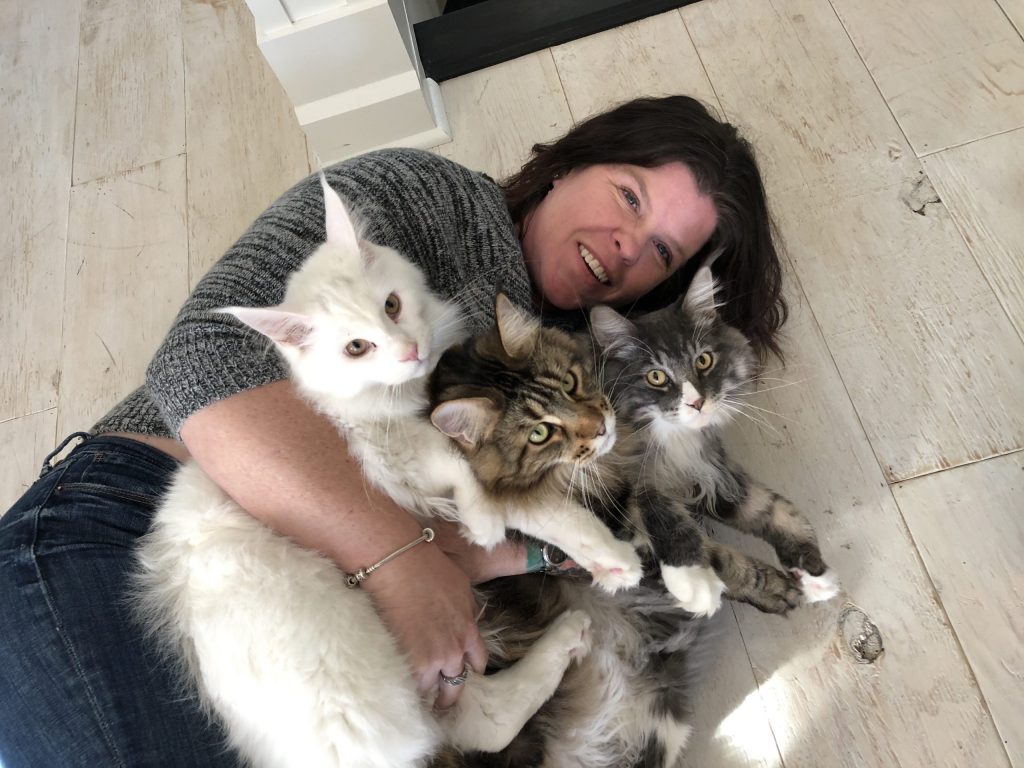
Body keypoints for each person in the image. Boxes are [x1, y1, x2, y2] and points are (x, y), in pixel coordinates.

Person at [0, 96, 785, 767]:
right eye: (629, 197)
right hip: (129, 531)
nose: (626, 244)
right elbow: (199, 362)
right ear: (570, 165)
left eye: (661, 252)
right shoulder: (431, 197)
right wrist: (398, 563)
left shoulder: (582, 370)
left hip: (297, 658)